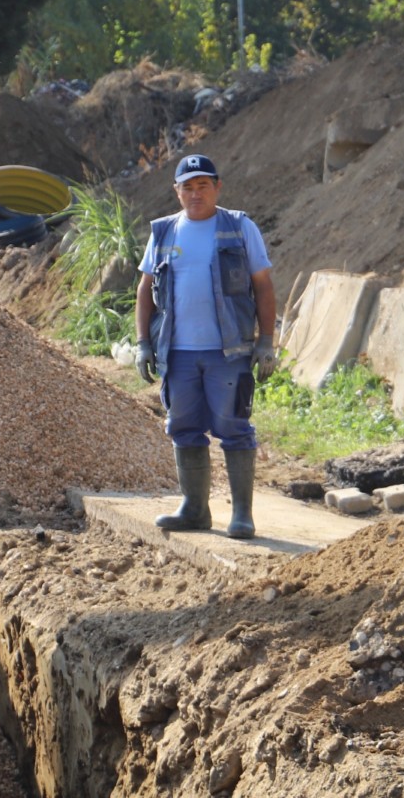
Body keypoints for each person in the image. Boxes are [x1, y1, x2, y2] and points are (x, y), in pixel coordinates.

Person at [135, 153, 278, 540]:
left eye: (203, 185)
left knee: (234, 426)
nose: (195, 193)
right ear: (176, 191)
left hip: (227, 352)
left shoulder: (238, 227)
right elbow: (146, 288)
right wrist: (143, 343)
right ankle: (194, 509)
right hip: (178, 353)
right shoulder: (164, 232)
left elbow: (262, 285)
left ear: (217, 187)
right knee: (183, 426)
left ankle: (242, 515)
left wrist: (266, 342)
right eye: (187, 187)